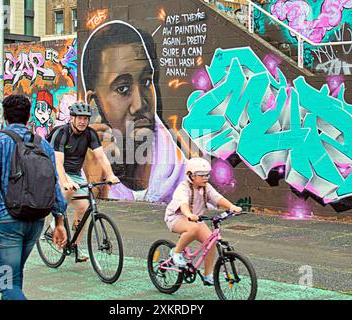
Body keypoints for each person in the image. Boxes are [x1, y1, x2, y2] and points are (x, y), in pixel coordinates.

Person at [81, 20, 186, 203]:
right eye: (122, 89)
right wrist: (96, 175)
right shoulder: (82, 165)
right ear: (95, 102)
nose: (140, 104)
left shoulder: (183, 169)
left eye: (146, 82)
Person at [0, 94, 68, 300]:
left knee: (7, 285)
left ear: (4, 116)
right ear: (29, 117)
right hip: (35, 221)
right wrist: (59, 220)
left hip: (6, 221)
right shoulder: (43, 144)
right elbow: (53, 183)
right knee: (15, 279)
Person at [47, 101, 120, 261]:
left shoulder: (90, 134)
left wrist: (110, 175)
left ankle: (74, 246)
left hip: (75, 173)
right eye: (79, 118)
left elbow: (100, 156)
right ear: (72, 118)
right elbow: (57, 161)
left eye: (86, 119)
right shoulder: (62, 133)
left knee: (84, 207)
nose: (82, 122)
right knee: (69, 190)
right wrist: (65, 181)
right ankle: (56, 220)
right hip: (56, 171)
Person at [164, 157, 243, 285]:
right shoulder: (183, 188)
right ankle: (176, 252)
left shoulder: (206, 187)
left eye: (207, 174)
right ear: (190, 175)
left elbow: (217, 198)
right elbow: (183, 204)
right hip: (176, 217)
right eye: (201, 175)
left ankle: (208, 275)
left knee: (212, 243)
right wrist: (189, 214)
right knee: (193, 229)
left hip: (195, 219)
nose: (205, 177)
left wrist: (231, 207)